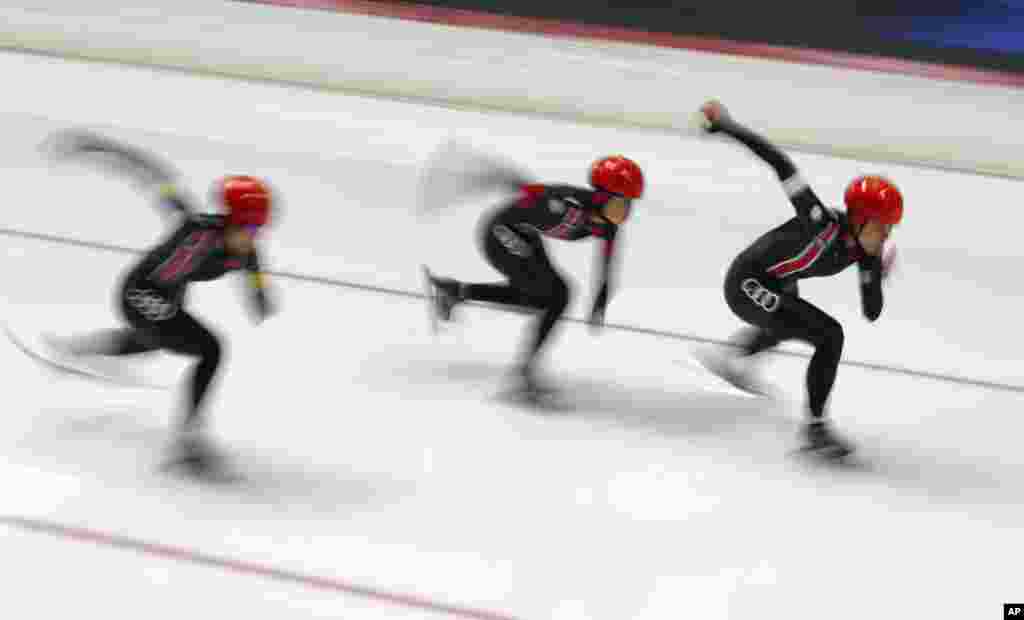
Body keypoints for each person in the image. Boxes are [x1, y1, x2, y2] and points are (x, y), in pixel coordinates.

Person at [41, 130, 276, 471]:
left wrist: (259, 296)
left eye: (259, 230)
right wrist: (97, 147)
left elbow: (254, 270)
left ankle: (74, 350)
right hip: (139, 292)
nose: (253, 238)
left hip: (164, 299)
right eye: (250, 228)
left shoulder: (245, 249)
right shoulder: (197, 228)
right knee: (210, 349)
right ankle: (188, 439)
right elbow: (152, 175)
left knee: (151, 343)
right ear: (229, 220)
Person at [695, 101, 902, 458]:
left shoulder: (865, 255)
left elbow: (871, 312)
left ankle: (729, 357)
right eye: (882, 226)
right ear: (859, 219)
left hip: (776, 283)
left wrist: (876, 277)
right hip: (746, 281)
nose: (886, 235)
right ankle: (815, 429)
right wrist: (728, 126)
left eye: (890, 228)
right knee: (827, 333)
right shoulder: (820, 221)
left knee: (788, 327)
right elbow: (780, 163)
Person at [425, 155, 644, 399]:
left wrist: (600, 299)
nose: (625, 214)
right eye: (622, 203)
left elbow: (607, 264)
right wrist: (494, 179)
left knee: (544, 299)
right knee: (557, 295)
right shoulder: (569, 202)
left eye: (629, 206)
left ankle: (455, 292)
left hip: (525, 235)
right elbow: (534, 190)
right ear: (603, 196)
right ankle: (523, 374)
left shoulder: (607, 226)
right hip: (500, 232)